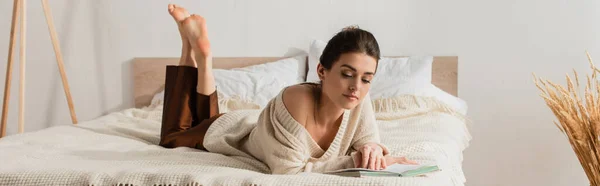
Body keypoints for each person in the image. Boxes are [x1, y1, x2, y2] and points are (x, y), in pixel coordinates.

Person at [159, 4, 417, 174]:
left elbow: (367, 139)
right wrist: (359, 162)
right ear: (321, 71)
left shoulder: (358, 94)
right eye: (347, 74)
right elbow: (289, 172)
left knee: (205, 116)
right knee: (174, 135)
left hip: (250, 124)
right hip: (229, 132)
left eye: (366, 78)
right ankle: (188, 47)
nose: (356, 87)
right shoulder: (296, 100)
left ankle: (203, 58)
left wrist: (372, 148)